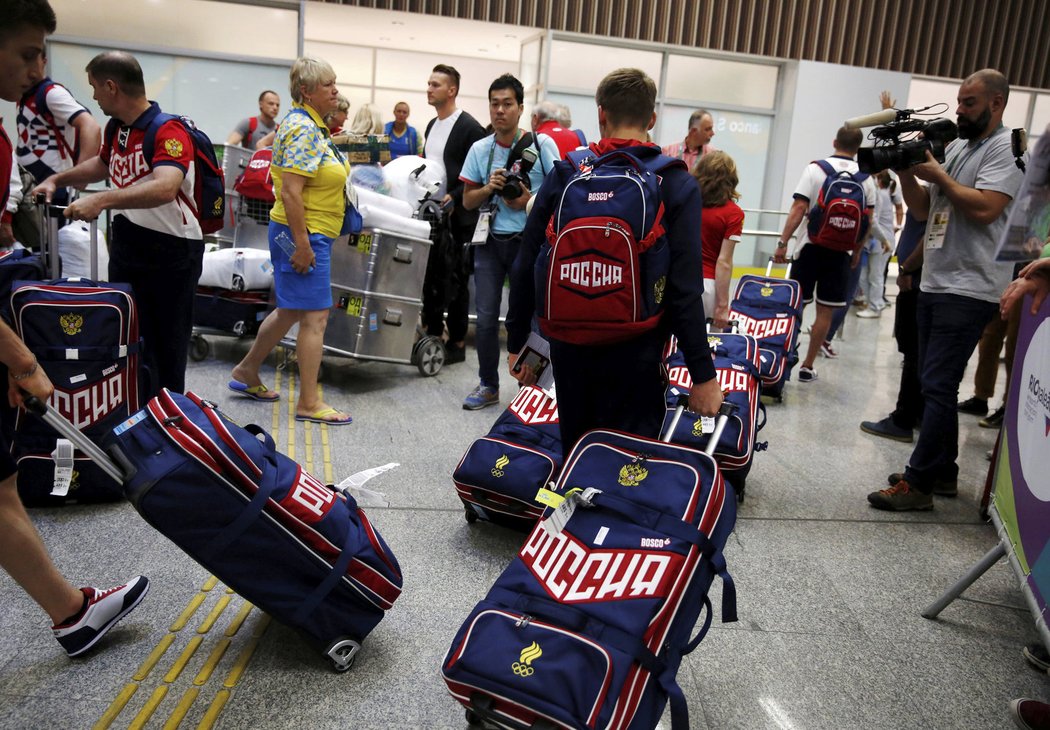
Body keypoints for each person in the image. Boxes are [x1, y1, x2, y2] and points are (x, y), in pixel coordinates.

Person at [0, 0, 149, 659]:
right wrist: (23, 361)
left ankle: (70, 613)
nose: (39, 67)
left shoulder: (40, 107)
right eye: (27, 52)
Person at [506, 67, 723, 456]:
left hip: (569, 347)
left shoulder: (569, 172)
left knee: (576, 451)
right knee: (630, 460)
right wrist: (702, 375)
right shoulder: (674, 182)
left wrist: (517, 341)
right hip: (637, 348)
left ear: (600, 113)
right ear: (652, 119)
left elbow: (526, 263)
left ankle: (570, 512)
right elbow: (684, 290)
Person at [867, 68, 1026, 511]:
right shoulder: (957, 146)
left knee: (938, 383)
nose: (958, 110)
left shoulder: (1005, 149)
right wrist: (906, 173)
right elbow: (924, 209)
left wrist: (938, 176)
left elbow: (987, 209)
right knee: (931, 380)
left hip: (971, 285)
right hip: (938, 279)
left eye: (969, 102)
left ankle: (918, 483)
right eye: (958, 101)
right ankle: (944, 472)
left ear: (996, 103)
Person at [32, 51, 205, 394]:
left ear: (112, 86)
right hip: (130, 242)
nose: (93, 96)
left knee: (166, 347)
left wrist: (102, 199)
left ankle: (167, 424)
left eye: (95, 88)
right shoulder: (118, 128)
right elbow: (101, 165)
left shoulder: (168, 129)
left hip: (171, 249)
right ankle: (135, 416)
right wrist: (57, 180)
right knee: (131, 338)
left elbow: (166, 186)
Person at [228, 57, 352, 426]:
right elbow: (292, 192)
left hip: (306, 230)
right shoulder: (301, 128)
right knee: (315, 318)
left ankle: (246, 370)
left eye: (335, 82)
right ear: (306, 92)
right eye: (328, 84)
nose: (335, 90)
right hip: (304, 232)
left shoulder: (311, 126)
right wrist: (302, 244)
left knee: (292, 311)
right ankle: (309, 402)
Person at [458, 73, 558, 410]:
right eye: (494, 104)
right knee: (486, 318)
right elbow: (467, 201)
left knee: (533, 320)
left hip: (529, 244)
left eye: (507, 104)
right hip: (490, 242)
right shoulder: (480, 149)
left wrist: (529, 199)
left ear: (520, 108)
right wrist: (489, 187)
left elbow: (558, 196)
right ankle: (488, 384)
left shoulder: (542, 146)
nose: (500, 110)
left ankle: (532, 391)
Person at [774, 126, 877, 382]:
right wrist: (856, 253)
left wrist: (783, 242)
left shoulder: (815, 169)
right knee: (825, 311)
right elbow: (869, 221)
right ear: (858, 147)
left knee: (795, 307)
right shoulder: (867, 178)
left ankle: (784, 361)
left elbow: (799, 208)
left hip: (809, 247)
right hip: (840, 253)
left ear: (834, 141)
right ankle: (808, 366)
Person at [421, 64, 486, 365]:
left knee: (457, 281)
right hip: (433, 216)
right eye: (429, 83)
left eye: (436, 84)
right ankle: (434, 332)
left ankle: (458, 341)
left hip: (460, 217)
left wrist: (457, 196)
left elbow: (479, 174)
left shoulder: (469, 128)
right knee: (432, 276)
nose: (429, 88)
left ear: (452, 90)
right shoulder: (432, 126)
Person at [859, 210, 928, 442]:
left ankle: (904, 418)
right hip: (917, 279)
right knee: (914, 353)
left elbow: (930, 236)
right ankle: (917, 413)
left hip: (917, 281)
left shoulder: (941, 196)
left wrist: (908, 267)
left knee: (913, 353)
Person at [16, 61, 101, 209]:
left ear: (43, 61)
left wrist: (81, 175)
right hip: (32, 188)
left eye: (30, 57)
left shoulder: (51, 93)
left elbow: (91, 126)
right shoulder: (23, 97)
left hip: (54, 192)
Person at [694, 150, 744, 330]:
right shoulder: (733, 214)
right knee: (709, 344)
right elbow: (723, 262)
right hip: (708, 286)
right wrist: (723, 305)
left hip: (680, 281)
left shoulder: (687, 204)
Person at [855, 170, 899, 318]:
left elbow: (873, 221)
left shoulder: (880, 195)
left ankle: (875, 306)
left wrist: (883, 240)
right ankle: (871, 303)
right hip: (875, 241)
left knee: (875, 275)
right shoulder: (879, 194)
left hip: (880, 241)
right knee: (864, 275)